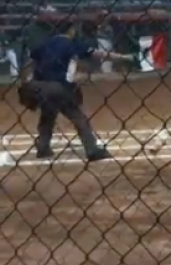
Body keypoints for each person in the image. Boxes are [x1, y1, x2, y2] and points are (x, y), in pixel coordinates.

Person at [19, 21, 135, 161]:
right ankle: (92, 150)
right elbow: (99, 54)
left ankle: (43, 147)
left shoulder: (46, 44)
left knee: (48, 114)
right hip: (58, 87)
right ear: (71, 30)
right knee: (78, 117)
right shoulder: (72, 43)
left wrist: (26, 81)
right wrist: (124, 57)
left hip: (38, 86)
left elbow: (30, 62)